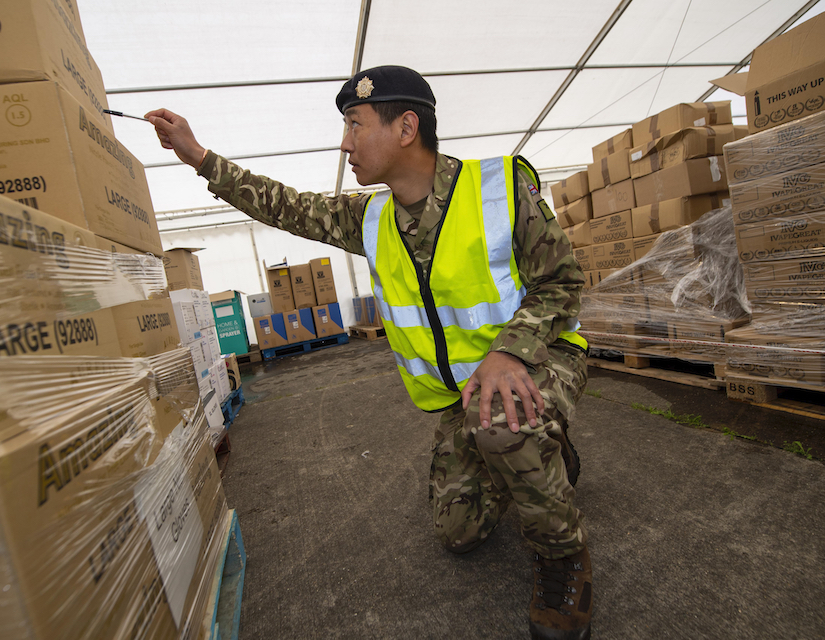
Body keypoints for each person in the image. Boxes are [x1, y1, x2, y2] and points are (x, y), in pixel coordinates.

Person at [146, 65, 592, 640]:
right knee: (458, 532)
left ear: (406, 127)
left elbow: (562, 281)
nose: (345, 142)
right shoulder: (371, 216)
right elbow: (284, 206)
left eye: (355, 125)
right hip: (462, 396)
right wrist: (200, 157)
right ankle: (545, 453)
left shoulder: (500, 185)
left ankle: (563, 557)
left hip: (535, 361)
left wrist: (510, 352)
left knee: (504, 423)